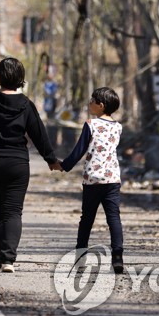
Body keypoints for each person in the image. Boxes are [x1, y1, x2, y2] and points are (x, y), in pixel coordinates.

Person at [0, 57, 61, 273]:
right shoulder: (26, 104)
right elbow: (39, 135)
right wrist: (51, 160)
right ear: (21, 78)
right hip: (17, 164)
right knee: (13, 212)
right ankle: (8, 259)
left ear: (0, 76)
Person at [59, 86, 125, 273]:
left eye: (92, 101)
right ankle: (118, 257)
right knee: (114, 217)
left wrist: (63, 165)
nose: (89, 103)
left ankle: (80, 259)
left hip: (93, 180)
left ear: (100, 105)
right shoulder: (118, 127)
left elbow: (79, 151)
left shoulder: (91, 124)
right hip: (112, 178)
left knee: (87, 218)